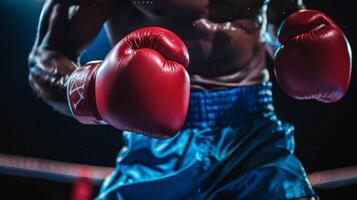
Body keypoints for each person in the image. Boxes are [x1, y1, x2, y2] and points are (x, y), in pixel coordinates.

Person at [28, 0, 351, 199]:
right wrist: (92, 89)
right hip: (158, 139)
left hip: (254, 130)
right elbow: (46, 56)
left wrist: (303, 48)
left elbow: (283, 17)